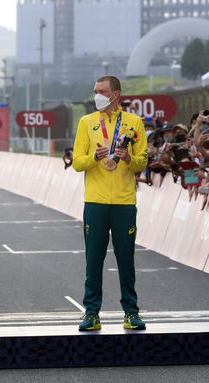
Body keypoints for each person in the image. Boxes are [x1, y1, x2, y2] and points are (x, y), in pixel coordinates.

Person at [72, 75, 148, 331]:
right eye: (95, 91)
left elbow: (143, 161)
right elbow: (77, 163)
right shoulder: (87, 122)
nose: (97, 96)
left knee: (126, 259)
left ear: (115, 94)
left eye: (102, 91)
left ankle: (131, 312)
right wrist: (94, 156)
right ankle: (91, 313)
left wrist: (128, 158)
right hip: (95, 202)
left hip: (125, 203)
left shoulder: (134, 123)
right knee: (94, 260)